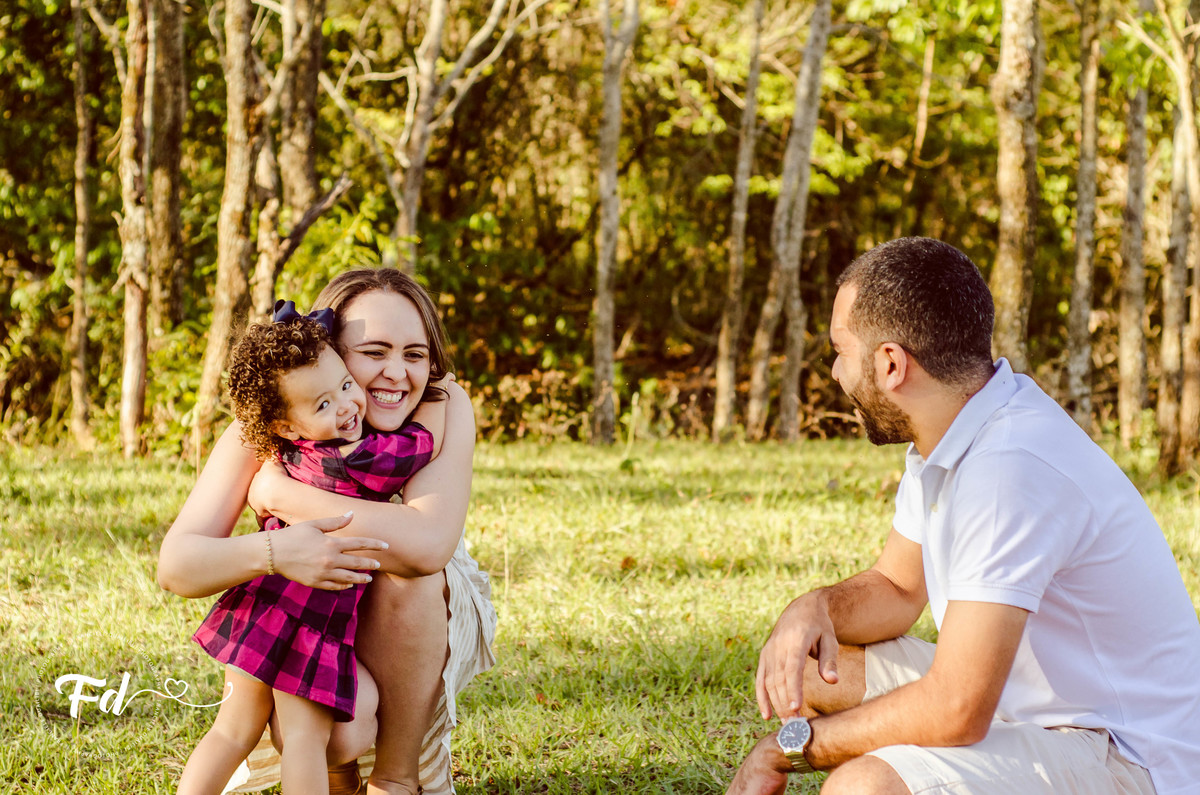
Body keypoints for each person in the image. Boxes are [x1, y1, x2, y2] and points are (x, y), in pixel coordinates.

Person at [725, 237, 1200, 795]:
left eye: (840, 350)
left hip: (1129, 756)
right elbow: (899, 589)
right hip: (1027, 705)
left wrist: (786, 751)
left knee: (864, 787)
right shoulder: (953, 428)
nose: (834, 372)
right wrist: (814, 608)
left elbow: (956, 708)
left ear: (891, 364)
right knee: (805, 671)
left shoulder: (1010, 468)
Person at [159, 270, 496, 795]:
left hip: (420, 608)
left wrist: (280, 495)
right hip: (302, 608)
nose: (396, 374)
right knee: (329, 732)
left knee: (404, 570)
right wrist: (277, 549)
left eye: (415, 353)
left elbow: (427, 547)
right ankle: (340, 778)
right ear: (328, 351)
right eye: (374, 352)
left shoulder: (441, 403)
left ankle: (397, 779)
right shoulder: (274, 414)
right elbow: (178, 564)